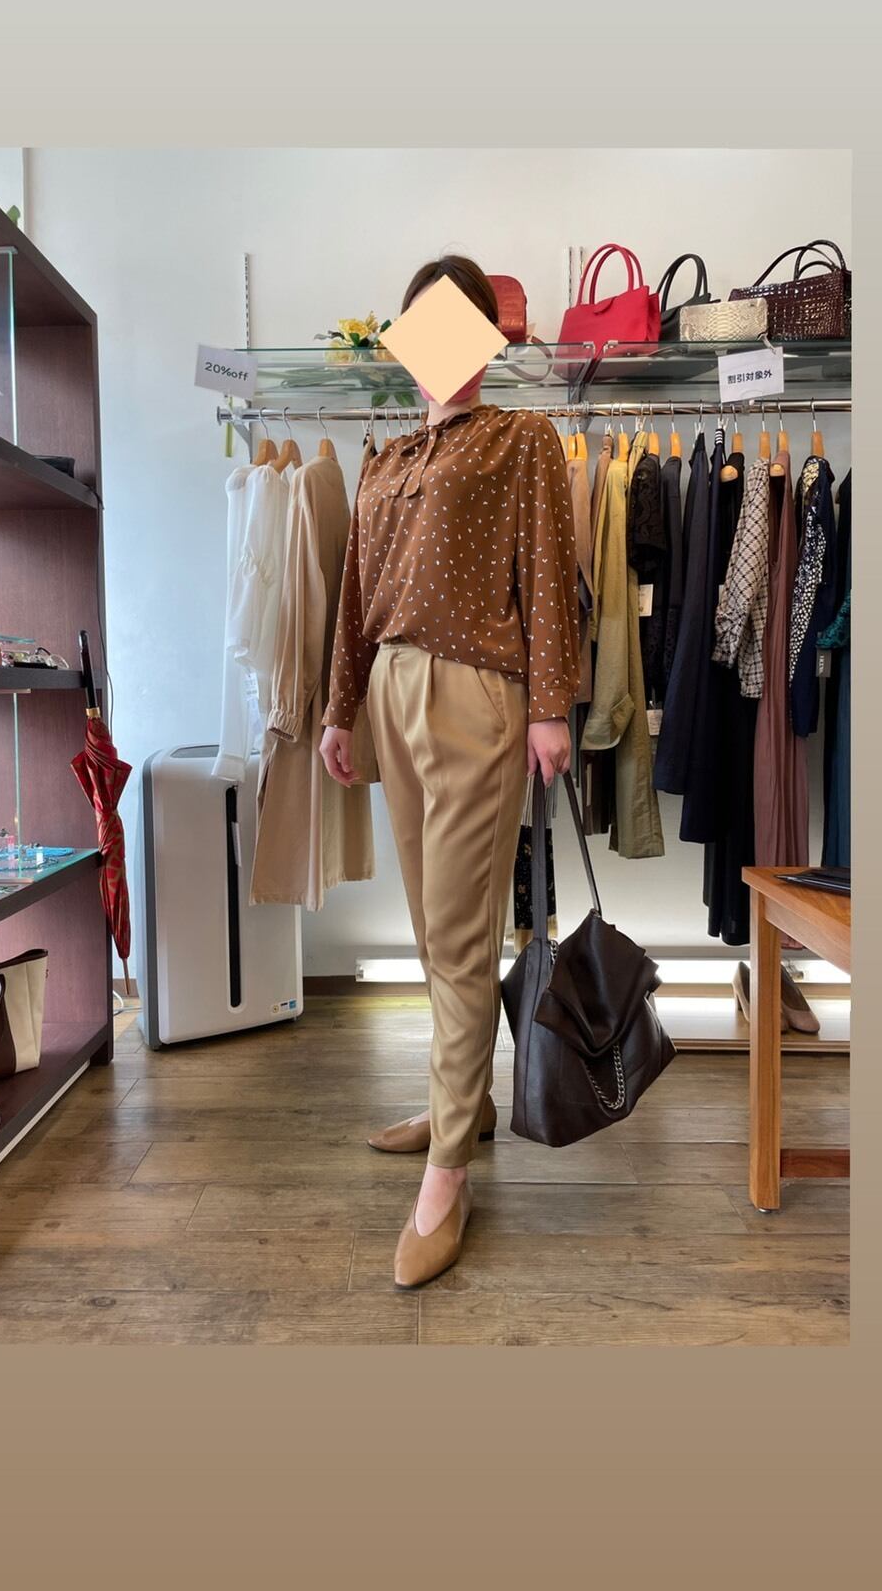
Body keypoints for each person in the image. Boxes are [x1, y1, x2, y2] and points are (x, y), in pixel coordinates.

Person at [320, 255, 581, 1287]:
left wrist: (552, 706)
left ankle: (447, 1174)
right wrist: (340, 706)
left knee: (464, 931)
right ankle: (459, 1103)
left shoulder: (522, 439)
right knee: (433, 928)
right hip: (391, 688)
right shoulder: (384, 459)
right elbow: (355, 590)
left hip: (477, 692)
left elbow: (548, 574)